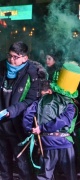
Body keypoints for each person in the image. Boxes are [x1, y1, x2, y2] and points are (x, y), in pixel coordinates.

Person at [22, 62, 80, 180]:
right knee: (70, 175)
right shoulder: (71, 106)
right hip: (64, 142)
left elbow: (28, 114)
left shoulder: (42, 99)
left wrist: (31, 129)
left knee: (45, 175)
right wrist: (42, 128)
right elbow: (63, 121)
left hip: (47, 142)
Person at [0, 41, 40, 179]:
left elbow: (30, 100)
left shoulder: (32, 73)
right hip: (1, 126)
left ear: (25, 58)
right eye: (10, 56)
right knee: (3, 164)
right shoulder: (1, 67)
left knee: (23, 165)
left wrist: (12, 110)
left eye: (16, 57)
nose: (11, 60)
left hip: (18, 126)